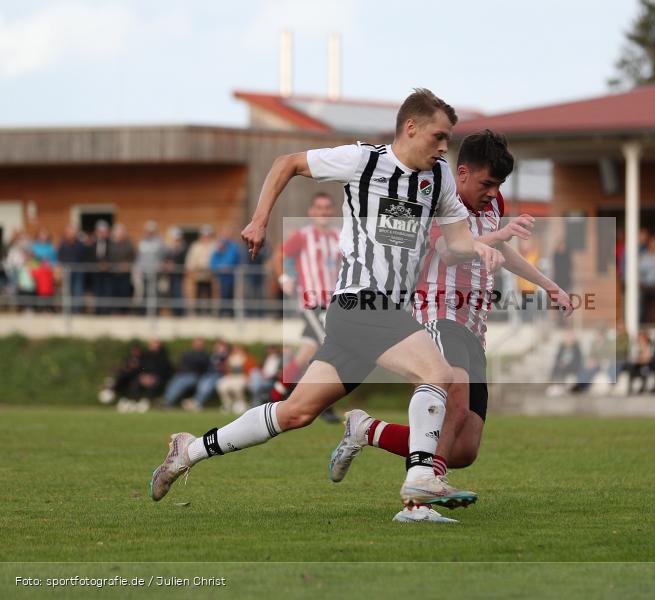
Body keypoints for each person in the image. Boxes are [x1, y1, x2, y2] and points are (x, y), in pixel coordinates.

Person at [150, 88, 504, 511]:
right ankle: (422, 478)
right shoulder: (363, 160)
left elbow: (458, 241)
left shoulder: (441, 178)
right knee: (437, 371)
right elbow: (288, 163)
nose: (445, 146)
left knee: (296, 412)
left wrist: (480, 246)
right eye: (439, 136)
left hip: (384, 315)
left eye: (449, 138)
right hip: (360, 301)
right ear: (411, 127)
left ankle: (187, 452)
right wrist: (260, 219)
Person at [326, 130, 572, 522]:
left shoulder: (492, 205)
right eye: (487, 183)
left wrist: (549, 285)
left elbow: (500, 249)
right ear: (461, 173)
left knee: (463, 449)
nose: (493, 192)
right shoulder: (440, 197)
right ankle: (416, 505)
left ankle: (366, 430)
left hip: (474, 328)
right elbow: (446, 250)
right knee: (451, 406)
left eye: (499, 185)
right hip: (439, 316)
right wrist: (500, 234)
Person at [275, 191, 343, 424]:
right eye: (319, 208)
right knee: (332, 349)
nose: (323, 212)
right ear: (311, 212)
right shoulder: (303, 236)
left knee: (305, 354)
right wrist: (284, 276)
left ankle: (275, 394)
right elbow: (281, 254)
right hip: (313, 302)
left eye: (327, 208)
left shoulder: (337, 237)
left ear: (332, 211)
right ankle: (323, 404)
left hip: (333, 303)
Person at [163, 338, 211, 408]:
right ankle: (166, 401)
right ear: (193, 344)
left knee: (182, 381)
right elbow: (180, 363)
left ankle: (168, 401)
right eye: (197, 344)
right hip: (183, 374)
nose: (198, 345)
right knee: (176, 380)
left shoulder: (205, 355)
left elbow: (204, 367)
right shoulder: (187, 353)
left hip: (195, 376)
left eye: (200, 344)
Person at [135, 221, 166, 314]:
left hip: (156, 273)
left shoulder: (160, 242)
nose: (150, 233)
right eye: (148, 231)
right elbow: (139, 257)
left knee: (155, 293)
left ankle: (155, 313)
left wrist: (160, 265)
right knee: (144, 293)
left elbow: (164, 256)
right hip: (144, 272)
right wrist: (138, 268)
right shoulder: (142, 242)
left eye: (152, 231)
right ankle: (143, 313)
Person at [216, 344, 257, 414]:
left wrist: (249, 377)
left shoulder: (247, 357)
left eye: (238, 349)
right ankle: (228, 404)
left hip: (242, 376)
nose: (236, 350)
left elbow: (252, 370)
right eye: (235, 349)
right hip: (231, 376)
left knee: (237, 387)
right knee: (221, 385)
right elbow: (227, 369)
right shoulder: (230, 357)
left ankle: (240, 403)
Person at [57, 224, 88, 313]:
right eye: (68, 232)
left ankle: (77, 311)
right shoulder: (62, 244)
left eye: (72, 232)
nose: (70, 234)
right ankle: (67, 311)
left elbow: (84, 258)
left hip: (78, 272)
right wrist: (59, 270)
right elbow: (60, 258)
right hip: (66, 272)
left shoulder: (81, 245)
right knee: (67, 291)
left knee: (78, 291)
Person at [210, 228, 241, 317]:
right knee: (221, 295)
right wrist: (219, 268)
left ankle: (230, 314)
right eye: (225, 234)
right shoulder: (218, 246)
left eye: (228, 233)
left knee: (230, 295)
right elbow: (213, 261)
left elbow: (235, 260)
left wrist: (228, 267)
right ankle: (221, 313)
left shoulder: (234, 247)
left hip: (231, 276)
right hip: (220, 277)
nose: (227, 236)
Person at [185, 225, 215, 315]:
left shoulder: (213, 245)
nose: (205, 237)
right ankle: (198, 312)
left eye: (207, 235)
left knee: (209, 292)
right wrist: (190, 269)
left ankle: (209, 312)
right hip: (198, 274)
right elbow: (191, 259)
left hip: (210, 274)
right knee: (198, 292)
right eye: (204, 235)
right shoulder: (195, 246)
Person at [108, 223, 135, 314]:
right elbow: (108, 257)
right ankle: (115, 311)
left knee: (125, 292)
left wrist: (128, 264)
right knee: (114, 292)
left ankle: (125, 311)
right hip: (113, 273)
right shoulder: (110, 244)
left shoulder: (128, 244)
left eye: (121, 232)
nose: (119, 234)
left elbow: (133, 257)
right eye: (117, 232)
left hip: (125, 274)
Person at [87, 221, 113, 314]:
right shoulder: (92, 243)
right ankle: (98, 310)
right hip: (96, 272)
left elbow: (113, 255)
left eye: (104, 231)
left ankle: (106, 311)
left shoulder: (112, 243)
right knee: (97, 291)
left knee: (107, 291)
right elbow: (90, 256)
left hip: (108, 272)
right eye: (100, 231)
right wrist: (97, 264)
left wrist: (107, 264)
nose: (102, 233)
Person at [163, 227, 187, 316]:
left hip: (178, 274)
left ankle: (180, 312)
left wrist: (174, 265)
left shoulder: (183, 248)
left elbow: (183, 261)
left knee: (178, 293)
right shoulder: (170, 249)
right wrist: (167, 265)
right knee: (172, 293)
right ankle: (174, 311)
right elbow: (166, 259)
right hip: (170, 275)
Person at [627, 329, 653, 395]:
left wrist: (642, 357)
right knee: (631, 368)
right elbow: (633, 357)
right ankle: (630, 387)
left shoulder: (649, 345)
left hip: (646, 365)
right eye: (640, 337)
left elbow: (648, 358)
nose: (641, 339)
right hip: (637, 365)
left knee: (645, 369)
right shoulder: (635, 346)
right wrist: (641, 358)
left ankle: (643, 387)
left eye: (642, 338)